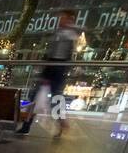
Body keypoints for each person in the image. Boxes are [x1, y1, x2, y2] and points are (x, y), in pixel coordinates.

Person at [18, 9, 82, 137]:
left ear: (70, 19)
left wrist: (71, 26)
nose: (60, 20)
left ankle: (60, 124)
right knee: (35, 96)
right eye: (61, 18)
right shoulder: (59, 32)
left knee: (54, 99)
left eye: (64, 18)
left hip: (57, 68)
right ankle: (27, 125)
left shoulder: (70, 34)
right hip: (50, 67)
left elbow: (69, 50)